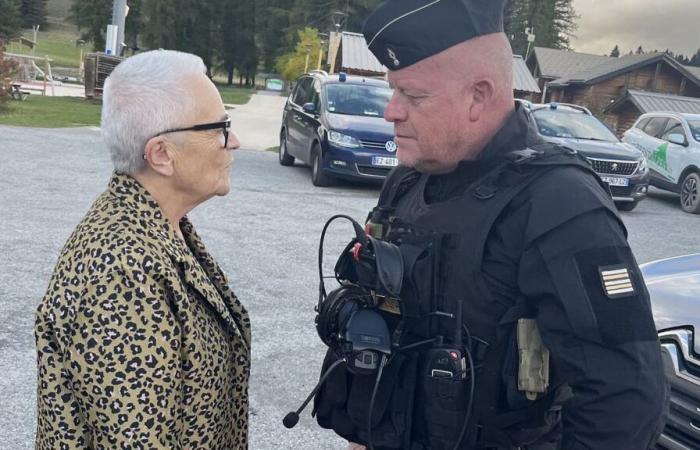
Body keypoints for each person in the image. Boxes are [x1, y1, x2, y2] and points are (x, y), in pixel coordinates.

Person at [313, 1, 668, 449]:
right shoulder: (407, 181)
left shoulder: (559, 201)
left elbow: (624, 400)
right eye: (394, 91)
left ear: (479, 96)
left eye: (414, 96)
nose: (391, 112)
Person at [35, 50, 251, 449]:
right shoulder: (123, 269)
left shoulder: (160, 226)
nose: (233, 142)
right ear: (162, 155)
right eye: (220, 127)